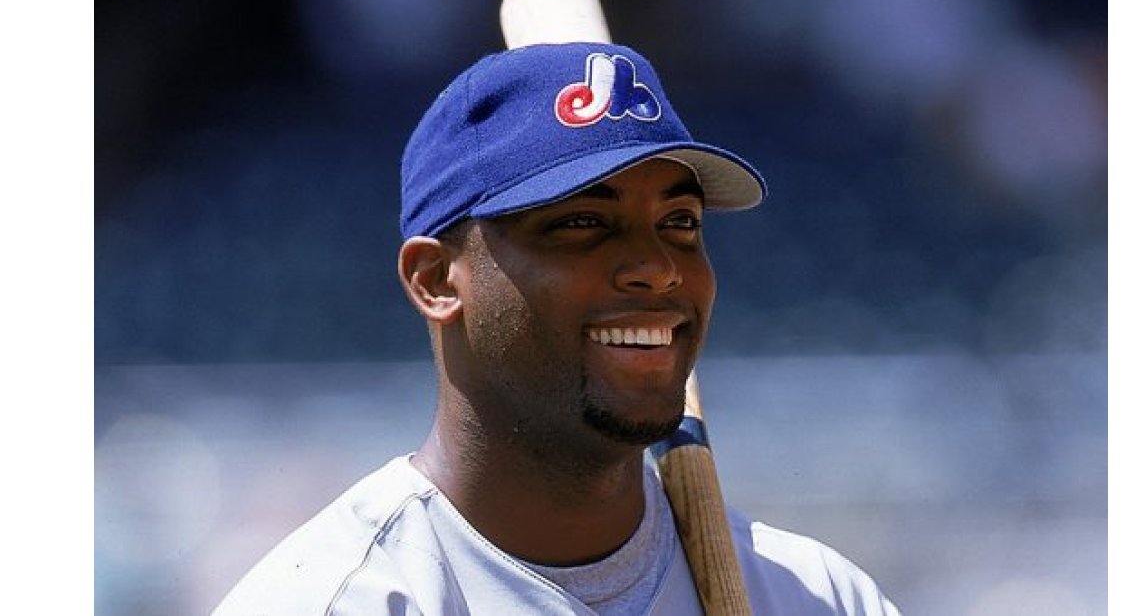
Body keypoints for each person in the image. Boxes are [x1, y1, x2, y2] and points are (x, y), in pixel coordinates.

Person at [215, 42, 901, 615]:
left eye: (679, 223)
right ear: (436, 279)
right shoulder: (338, 599)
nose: (658, 268)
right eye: (582, 222)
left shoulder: (817, 596)